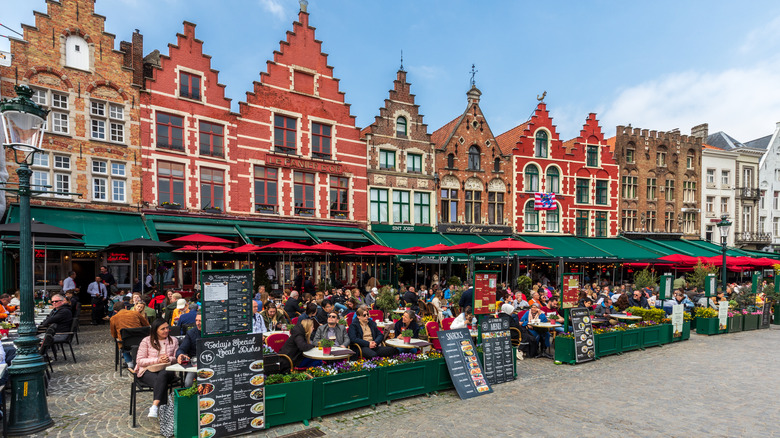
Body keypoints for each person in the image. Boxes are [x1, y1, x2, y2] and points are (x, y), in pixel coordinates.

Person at [135, 318, 179, 418]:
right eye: (162, 329)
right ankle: (163, 414)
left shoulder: (174, 340)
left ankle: (155, 407)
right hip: (148, 370)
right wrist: (158, 360)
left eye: (167, 328)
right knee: (160, 381)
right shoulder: (146, 341)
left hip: (167, 369)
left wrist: (168, 359)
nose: (166, 330)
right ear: (155, 330)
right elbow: (140, 360)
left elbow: (177, 358)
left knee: (162, 375)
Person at [110, 301, 150, 368]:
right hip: (140, 340)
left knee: (120, 342)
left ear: (115, 311)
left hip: (126, 343)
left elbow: (114, 334)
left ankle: (129, 361)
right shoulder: (136, 313)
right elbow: (147, 325)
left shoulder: (113, 318)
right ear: (125, 307)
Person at [175, 313, 202, 386]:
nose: (198, 323)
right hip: (196, 364)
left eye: (200, 321)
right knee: (188, 383)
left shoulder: (214, 332)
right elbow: (182, 349)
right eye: (196, 320)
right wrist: (180, 355)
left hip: (213, 364)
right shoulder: (191, 333)